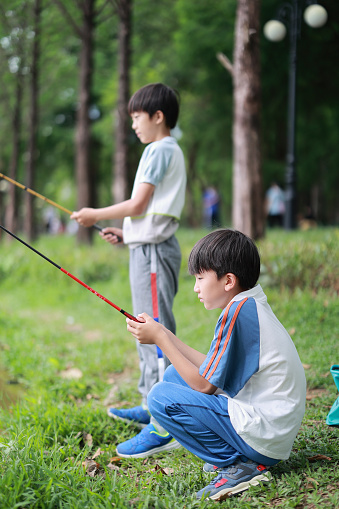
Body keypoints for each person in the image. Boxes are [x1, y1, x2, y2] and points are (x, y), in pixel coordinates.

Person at [126, 229, 306, 500]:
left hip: (264, 435)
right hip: (271, 429)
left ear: (228, 281)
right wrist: (164, 333)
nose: (196, 287)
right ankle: (238, 455)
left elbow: (205, 384)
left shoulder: (238, 313)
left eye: (200, 278)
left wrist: (161, 339)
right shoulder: (247, 304)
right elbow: (211, 368)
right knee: (176, 375)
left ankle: (237, 465)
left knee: (160, 398)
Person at [71, 83, 186, 457]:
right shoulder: (166, 150)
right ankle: (152, 402)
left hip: (153, 254)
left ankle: (164, 422)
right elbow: (150, 214)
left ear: (158, 116)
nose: (133, 124)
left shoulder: (158, 149)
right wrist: (128, 235)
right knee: (146, 326)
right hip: (148, 248)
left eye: (137, 117)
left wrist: (93, 213)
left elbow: (138, 204)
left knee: (154, 329)